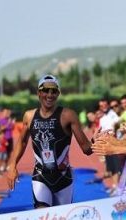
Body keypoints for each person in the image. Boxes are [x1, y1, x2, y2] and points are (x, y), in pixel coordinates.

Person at [7, 74, 92, 208]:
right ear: (39, 93)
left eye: (53, 91)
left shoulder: (68, 115)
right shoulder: (29, 116)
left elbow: (86, 149)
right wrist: (12, 166)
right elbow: (22, 142)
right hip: (40, 176)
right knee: (42, 214)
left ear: (58, 93)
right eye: (46, 90)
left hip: (63, 178)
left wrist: (98, 142)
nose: (49, 95)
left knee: (63, 216)